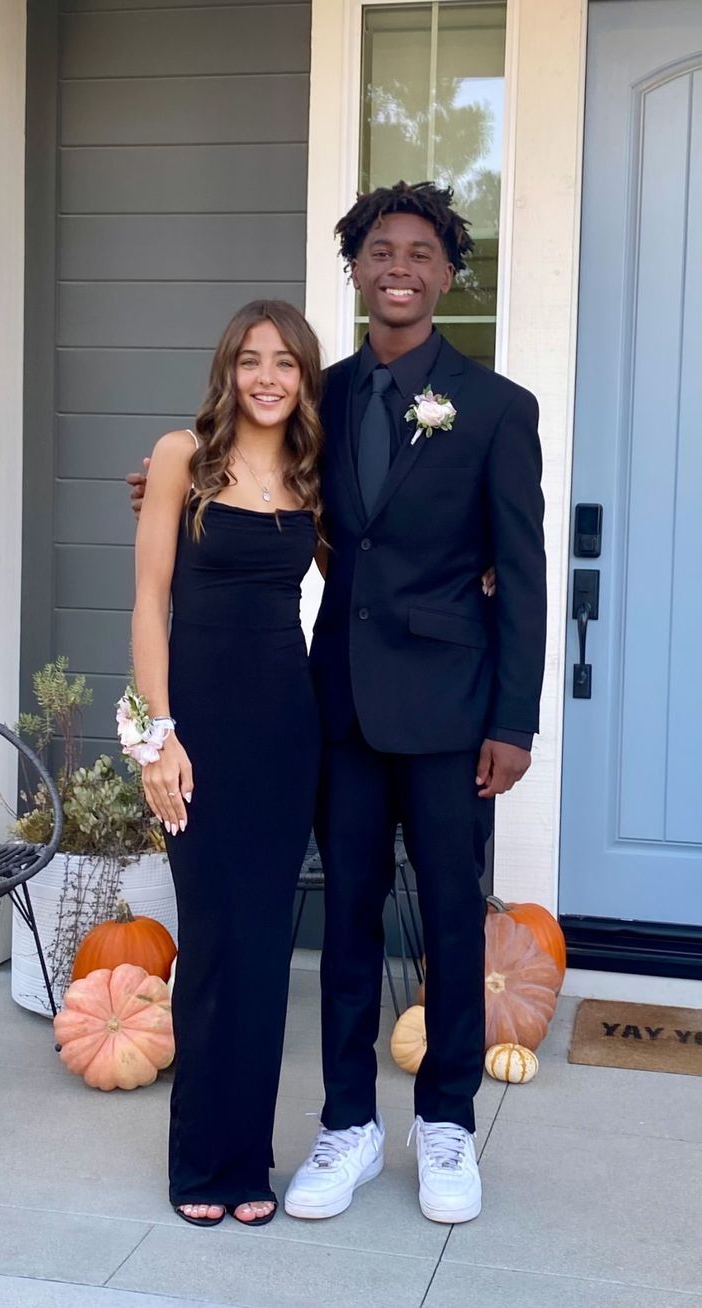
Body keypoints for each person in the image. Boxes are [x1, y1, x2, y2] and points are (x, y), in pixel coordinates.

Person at [128, 180, 546, 1226]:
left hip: (452, 716)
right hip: (333, 714)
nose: (398, 267)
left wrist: (513, 718)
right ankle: (348, 1124)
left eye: (420, 253)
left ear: (448, 274)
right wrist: (164, 488)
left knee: (452, 918)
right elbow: (245, 489)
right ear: (354, 269)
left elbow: (521, 572)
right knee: (347, 919)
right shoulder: (322, 397)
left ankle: (445, 1121)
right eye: (378, 252)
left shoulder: (496, 408)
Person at [130, 300, 323, 1227]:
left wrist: (478, 572)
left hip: (287, 731)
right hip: (197, 735)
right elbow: (146, 602)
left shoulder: (313, 475)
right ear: (228, 370)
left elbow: (385, 558)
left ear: (304, 376)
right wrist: (156, 735)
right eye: (251, 360)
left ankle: (251, 1163)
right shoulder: (181, 458)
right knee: (209, 944)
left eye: (285, 363)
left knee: (262, 952)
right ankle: (198, 1164)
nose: (268, 378)